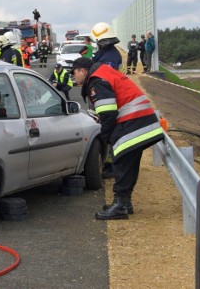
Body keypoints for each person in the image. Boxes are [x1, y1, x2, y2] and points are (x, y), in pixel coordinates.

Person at [71, 57, 165, 220]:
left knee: (120, 163)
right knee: (129, 164)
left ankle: (120, 206)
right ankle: (124, 203)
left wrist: (106, 138)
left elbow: (108, 113)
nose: (74, 77)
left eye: (74, 73)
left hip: (132, 124)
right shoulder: (105, 72)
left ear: (82, 71)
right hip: (142, 122)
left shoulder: (96, 81)